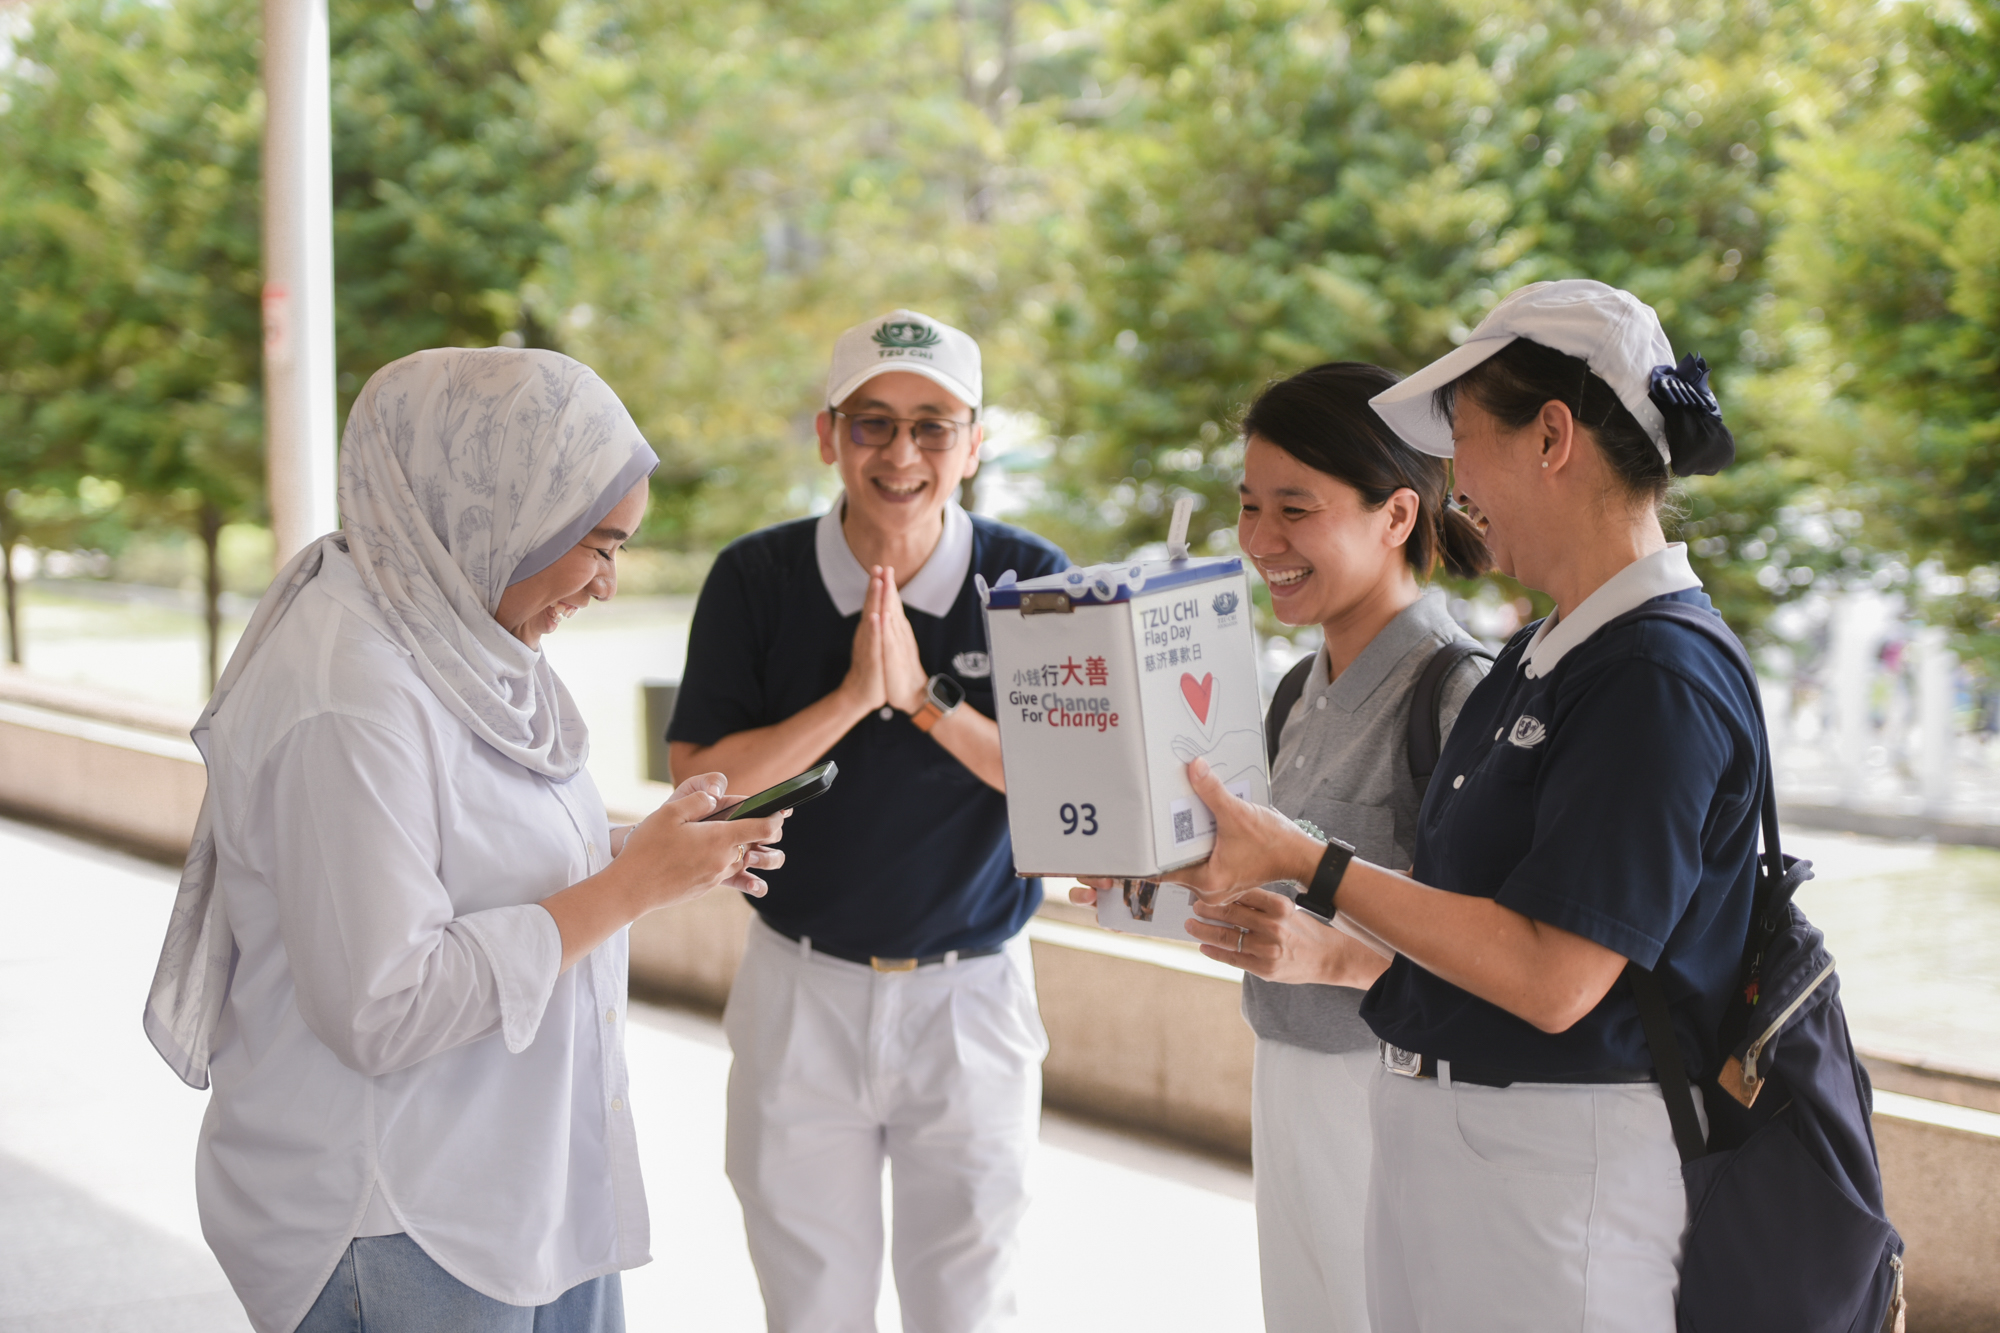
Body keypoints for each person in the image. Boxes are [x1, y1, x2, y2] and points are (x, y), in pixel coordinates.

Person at [142, 348, 788, 1333]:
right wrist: (629, 888)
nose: (608, 584)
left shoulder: (452, 638)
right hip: (401, 1216)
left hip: (506, 1187)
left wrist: (649, 851)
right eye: (599, 546)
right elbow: (383, 1003)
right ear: (502, 509)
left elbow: (460, 857)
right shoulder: (349, 698)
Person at [1169, 279, 1757, 1331]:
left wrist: (1310, 863)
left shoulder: (1653, 673)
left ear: (1550, 437)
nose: (1452, 482)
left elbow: (1551, 976)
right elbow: (1453, 910)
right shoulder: (1547, 655)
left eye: (1463, 440)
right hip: (1461, 1158)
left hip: (1556, 1179)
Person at [666, 309, 1067, 1331]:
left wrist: (924, 702)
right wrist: (850, 697)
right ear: (825, 433)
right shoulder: (754, 579)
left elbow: (1073, 785)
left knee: (968, 1304)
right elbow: (699, 784)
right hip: (801, 989)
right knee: (808, 1306)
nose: (900, 453)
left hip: (970, 998)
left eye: (932, 425)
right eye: (870, 422)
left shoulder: (1030, 582)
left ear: (974, 444)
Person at [1074, 362, 1492, 1332]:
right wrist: (1142, 885)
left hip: (1401, 1103)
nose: (1260, 542)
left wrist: (1338, 954)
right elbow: (1257, 889)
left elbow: (1501, 954)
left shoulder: (1455, 695)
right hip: (1287, 1079)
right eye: (1248, 507)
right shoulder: (1289, 694)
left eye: (1293, 510)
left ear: (1395, 516)